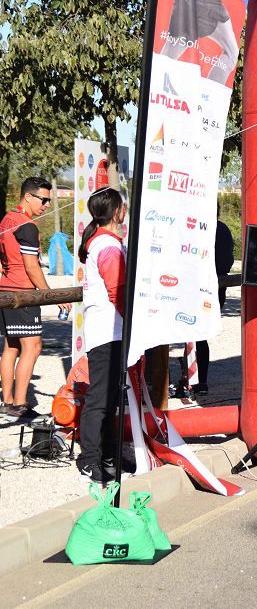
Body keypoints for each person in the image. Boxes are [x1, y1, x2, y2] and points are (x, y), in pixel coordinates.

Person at [0, 178, 71, 420]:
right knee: (33, 346)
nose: (47, 205)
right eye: (44, 200)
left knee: (11, 346)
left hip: (6, 290)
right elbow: (31, 266)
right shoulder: (27, 225)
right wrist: (50, 295)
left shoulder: (6, 220)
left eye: (50, 200)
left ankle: (7, 400)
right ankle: (19, 405)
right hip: (23, 293)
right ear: (28, 197)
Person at [76, 188, 128, 484]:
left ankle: (109, 455)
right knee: (100, 398)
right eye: (124, 206)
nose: (126, 210)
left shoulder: (106, 242)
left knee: (111, 399)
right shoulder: (106, 244)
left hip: (112, 329)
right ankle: (89, 460)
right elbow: (117, 290)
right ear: (117, 210)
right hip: (108, 330)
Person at [189, 212, 234, 396]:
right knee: (200, 335)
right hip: (218, 288)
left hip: (199, 287)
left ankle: (196, 380)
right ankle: (199, 380)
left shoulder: (199, 229)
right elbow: (229, 260)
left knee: (195, 334)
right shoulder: (223, 229)